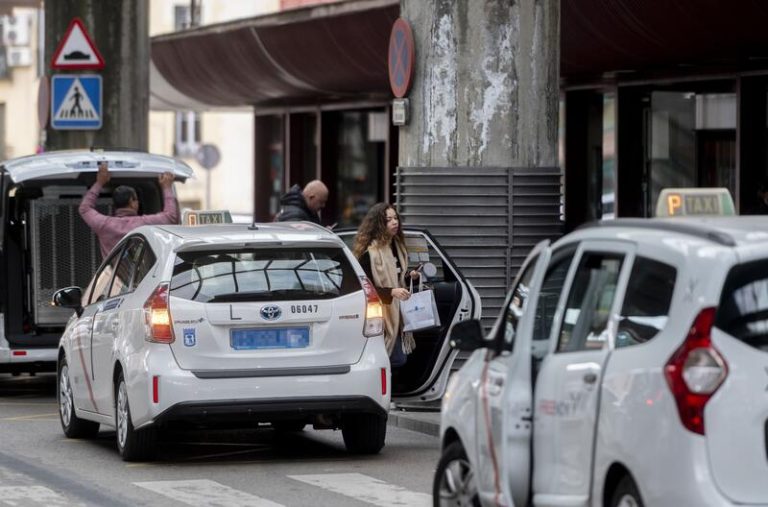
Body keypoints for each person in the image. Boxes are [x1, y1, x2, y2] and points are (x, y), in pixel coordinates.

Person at [353, 203, 421, 367]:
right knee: (395, 358)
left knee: (397, 358)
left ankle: (389, 389)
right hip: (380, 315)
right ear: (379, 224)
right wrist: (391, 292)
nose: (394, 222)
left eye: (395, 218)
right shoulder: (370, 254)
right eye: (388, 219)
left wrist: (411, 277)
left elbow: (397, 277)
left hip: (398, 312)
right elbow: (364, 288)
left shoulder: (398, 248)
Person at [79, 161, 179, 257]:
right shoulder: (144, 224)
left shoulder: (104, 225)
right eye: (136, 200)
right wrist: (167, 187)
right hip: (142, 274)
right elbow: (171, 216)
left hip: (113, 274)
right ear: (131, 202)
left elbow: (84, 209)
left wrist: (99, 182)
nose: (138, 203)